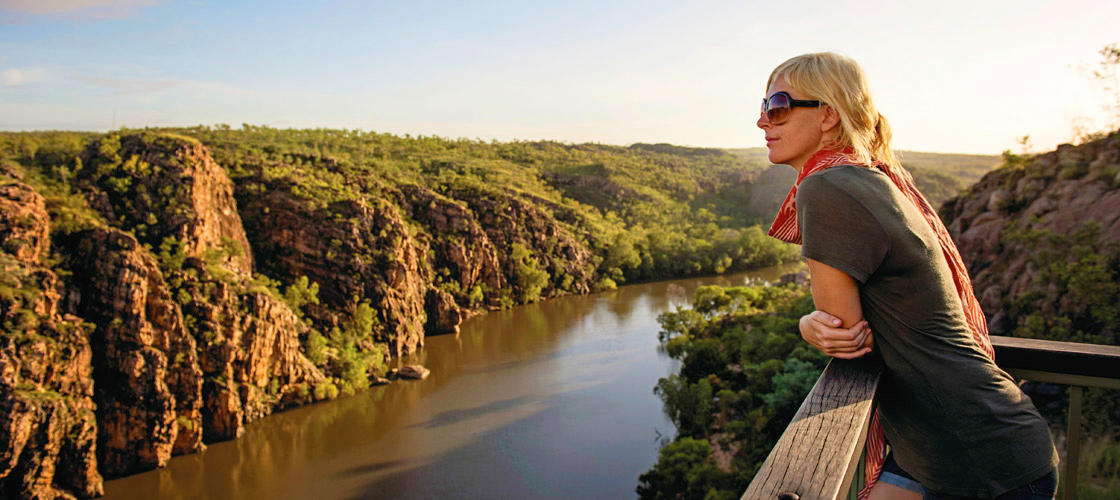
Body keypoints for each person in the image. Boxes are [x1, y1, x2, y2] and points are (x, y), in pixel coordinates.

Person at [757, 52, 1059, 500]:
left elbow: (847, 339)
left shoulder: (825, 186)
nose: (763, 121)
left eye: (778, 106)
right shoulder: (871, 177)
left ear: (828, 115)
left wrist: (807, 325)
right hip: (955, 443)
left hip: (980, 458)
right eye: (763, 108)